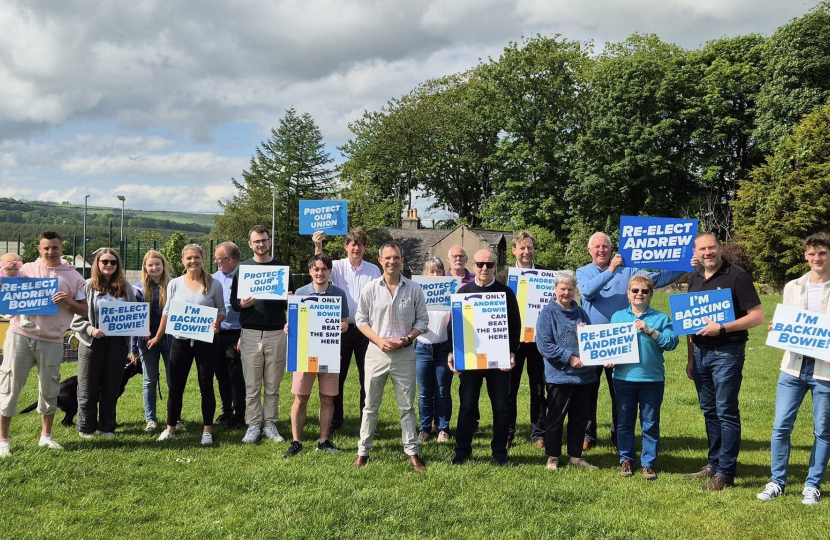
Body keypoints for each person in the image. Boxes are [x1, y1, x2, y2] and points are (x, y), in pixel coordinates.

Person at [577, 232, 689, 451]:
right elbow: (587, 292)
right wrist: (611, 271)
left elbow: (655, 280)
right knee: (587, 391)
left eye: (605, 247)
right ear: (589, 250)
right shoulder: (583, 272)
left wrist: (684, 265)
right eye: (597, 247)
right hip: (595, 341)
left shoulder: (629, 269)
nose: (601, 250)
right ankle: (588, 434)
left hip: (622, 343)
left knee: (619, 392)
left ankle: (619, 435)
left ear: (611, 249)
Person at [684, 232, 763, 490]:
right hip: (701, 353)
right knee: (709, 411)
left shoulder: (736, 275)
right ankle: (714, 464)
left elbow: (757, 316)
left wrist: (723, 328)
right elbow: (689, 322)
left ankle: (726, 474)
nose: (708, 252)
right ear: (695, 253)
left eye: (712, 248)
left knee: (726, 411)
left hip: (727, 352)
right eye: (702, 249)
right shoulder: (694, 277)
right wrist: (690, 358)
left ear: (719, 248)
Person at [757, 233, 830, 505]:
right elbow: (789, 322)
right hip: (793, 368)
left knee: (823, 431)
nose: (816, 258)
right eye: (811, 254)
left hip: (825, 371)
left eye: (821, 253)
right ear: (805, 256)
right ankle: (777, 481)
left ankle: (812, 485)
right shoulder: (793, 287)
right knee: (780, 426)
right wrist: (779, 329)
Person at [0, 231, 87, 457]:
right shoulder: (25, 269)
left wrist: (67, 300)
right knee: (9, 386)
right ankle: (3, 440)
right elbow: (6, 287)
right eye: (46, 248)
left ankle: (46, 436)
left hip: (53, 340)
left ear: (62, 248)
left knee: (50, 389)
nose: (50, 252)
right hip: (20, 335)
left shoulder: (74, 277)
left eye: (55, 248)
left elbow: (85, 310)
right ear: (39, 249)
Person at [351, 241, 429, 470]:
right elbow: (361, 320)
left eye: (396, 257)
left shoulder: (414, 289)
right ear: (380, 261)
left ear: (402, 260)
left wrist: (408, 338)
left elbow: (422, 321)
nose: (392, 261)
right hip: (376, 353)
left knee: (406, 407)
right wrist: (378, 340)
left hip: (404, 354)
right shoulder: (370, 288)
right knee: (370, 406)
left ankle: (412, 451)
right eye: (387, 258)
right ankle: (363, 452)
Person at [450, 249, 521, 466]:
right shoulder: (462, 293)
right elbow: (453, 327)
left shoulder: (506, 293)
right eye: (480, 264)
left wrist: (511, 352)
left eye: (489, 265)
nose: (484, 269)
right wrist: (452, 353)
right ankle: (462, 451)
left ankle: (500, 452)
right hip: (470, 361)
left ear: (495, 267)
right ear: (473, 266)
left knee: (501, 408)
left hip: (498, 362)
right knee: (467, 407)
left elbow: (515, 326)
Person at [154, 244, 225, 445]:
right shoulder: (174, 284)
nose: (193, 261)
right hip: (180, 342)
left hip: (206, 342)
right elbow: (167, 311)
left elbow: (221, 310)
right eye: (189, 258)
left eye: (197, 257)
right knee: (176, 386)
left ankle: (207, 431)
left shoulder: (214, 284)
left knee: (206, 385)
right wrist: (158, 337)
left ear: (203, 259)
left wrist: (217, 322)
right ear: (182, 261)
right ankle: (170, 428)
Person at [609, 275, 678, 480]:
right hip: (623, 377)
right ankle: (626, 459)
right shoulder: (618, 316)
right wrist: (609, 357)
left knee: (650, 422)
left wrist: (650, 331)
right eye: (635, 291)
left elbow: (672, 342)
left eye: (644, 291)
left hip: (652, 379)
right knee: (625, 422)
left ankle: (648, 463)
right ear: (628, 294)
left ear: (651, 294)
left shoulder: (661, 318)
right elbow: (610, 344)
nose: (639, 294)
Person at [313, 228, 380, 432]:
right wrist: (318, 246)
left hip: (366, 330)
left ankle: (366, 421)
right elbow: (318, 268)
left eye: (360, 244)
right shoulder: (337, 267)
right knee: (336, 378)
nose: (356, 248)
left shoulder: (373, 270)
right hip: (340, 329)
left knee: (367, 378)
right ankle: (335, 421)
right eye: (352, 244)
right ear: (346, 247)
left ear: (364, 248)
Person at [232, 226, 294, 444]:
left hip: (277, 333)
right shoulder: (243, 269)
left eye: (264, 240)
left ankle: (270, 424)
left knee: (273, 384)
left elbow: (290, 302)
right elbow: (234, 303)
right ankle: (253, 425)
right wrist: (241, 304)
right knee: (252, 384)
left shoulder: (281, 268)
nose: (260, 244)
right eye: (256, 241)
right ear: (250, 244)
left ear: (269, 242)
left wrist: (289, 297)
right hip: (249, 333)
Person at [283, 253, 349, 457]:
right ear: (310, 271)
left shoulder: (339, 294)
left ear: (330, 271)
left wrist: (344, 325)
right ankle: (296, 441)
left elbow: (344, 321)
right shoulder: (300, 293)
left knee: (327, 399)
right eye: (316, 269)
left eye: (324, 269)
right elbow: (293, 323)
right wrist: (289, 327)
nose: (320, 273)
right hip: (304, 353)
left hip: (328, 353)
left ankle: (324, 440)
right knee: (300, 398)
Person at [71, 249, 138, 438]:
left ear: (118, 265)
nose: (109, 265)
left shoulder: (125, 287)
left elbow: (134, 314)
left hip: (118, 344)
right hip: (91, 342)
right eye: (105, 262)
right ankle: (86, 428)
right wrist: (91, 330)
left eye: (113, 262)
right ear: (97, 264)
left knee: (112, 386)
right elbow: (76, 320)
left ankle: (107, 427)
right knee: (87, 386)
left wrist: (140, 327)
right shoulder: (86, 286)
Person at [535, 270, 597, 471]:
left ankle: (576, 456)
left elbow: (592, 339)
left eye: (570, 289)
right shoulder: (547, 313)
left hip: (584, 377)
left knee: (580, 419)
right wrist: (569, 358)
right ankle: (553, 456)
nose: (566, 293)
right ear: (555, 290)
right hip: (559, 376)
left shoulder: (581, 312)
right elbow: (544, 345)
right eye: (562, 289)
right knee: (555, 418)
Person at [495, 231, 548, 448]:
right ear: (514, 251)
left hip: (538, 341)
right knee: (509, 390)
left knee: (538, 389)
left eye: (530, 247)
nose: (526, 252)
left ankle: (538, 434)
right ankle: (508, 433)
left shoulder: (546, 275)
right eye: (522, 248)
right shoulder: (502, 276)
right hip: (512, 343)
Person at [130, 250, 175, 433]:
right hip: (146, 341)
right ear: (145, 268)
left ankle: (176, 418)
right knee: (149, 380)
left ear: (163, 265)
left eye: (157, 263)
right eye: (150, 265)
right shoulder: (138, 288)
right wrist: (133, 348)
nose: (154, 267)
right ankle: (151, 420)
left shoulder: (174, 284)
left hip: (171, 340)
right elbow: (134, 318)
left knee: (174, 380)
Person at [416, 257, 453, 443]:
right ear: (425, 274)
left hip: (443, 348)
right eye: (431, 271)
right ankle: (424, 428)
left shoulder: (450, 293)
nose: (435, 274)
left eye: (439, 271)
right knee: (424, 392)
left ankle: (443, 429)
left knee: (442, 391)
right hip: (422, 347)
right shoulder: (418, 293)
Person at [212, 242, 246, 429]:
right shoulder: (212, 278)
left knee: (237, 376)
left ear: (230, 259)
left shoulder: (245, 277)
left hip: (238, 333)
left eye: (219, 258)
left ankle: (239, 415)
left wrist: (243, 333)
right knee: (221, 375)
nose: (216, 261)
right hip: (217, 334)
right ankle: (226, 411)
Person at [1, 253, 34, 328]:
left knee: (25, 304)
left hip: (18, 295)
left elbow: (28, 278)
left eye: (16, 269)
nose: (12, 272)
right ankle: (7, 314)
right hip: (6, 296)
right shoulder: (1, 274)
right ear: (2, 268)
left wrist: (25, 277)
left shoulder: (20, 273)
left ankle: (23, 320)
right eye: (8, 269)